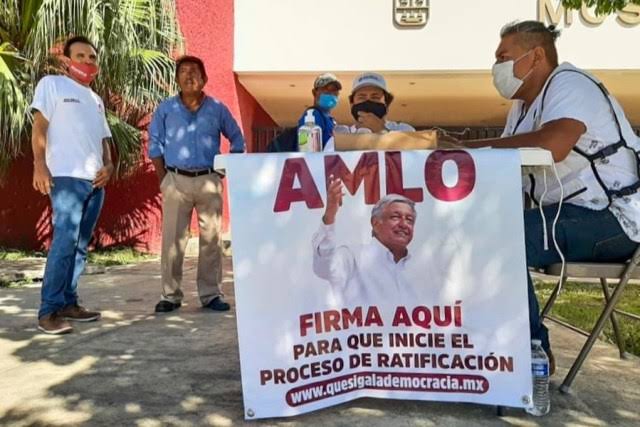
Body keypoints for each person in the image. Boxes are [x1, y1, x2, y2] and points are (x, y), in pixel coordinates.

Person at [456, 20, 640, 371]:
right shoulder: (521, 109)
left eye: (503, 57)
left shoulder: (570, 83)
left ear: (536, 55)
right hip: (569, 215)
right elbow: (503, 166)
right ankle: (487, 339)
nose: (496, 67)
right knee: (473, 230)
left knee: (503, 236)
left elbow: (553, 144)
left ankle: (531, 353)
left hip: (614, 218)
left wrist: (466, 148)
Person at [148, 55, 245, 313]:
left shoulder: (217, 108)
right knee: (172, 240)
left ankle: (211, 294)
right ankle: (170, 295)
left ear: (204, 79)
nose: (189, 75)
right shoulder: (165, 109)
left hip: (208, 180)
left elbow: (237, 139)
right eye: (183, 71)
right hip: (175, 180)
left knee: (211, 240)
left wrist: (223, 171)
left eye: (194, 71)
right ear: (176, 78)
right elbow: (154, 143)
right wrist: (163, 179)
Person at [31, 36, 114, 334]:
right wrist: (39, 164)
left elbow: (104, 140)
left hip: (96, 182)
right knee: (65, 243)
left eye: (92, 57)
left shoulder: (96, 100)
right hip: (66, 177)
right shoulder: (52, 85)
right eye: (81, 56)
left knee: (80, 247)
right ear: (67, 61)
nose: (88, 61)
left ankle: (69, 302)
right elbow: (39, 127)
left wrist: (109, 166)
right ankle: (48, 311)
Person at [312, 177, 436, 306]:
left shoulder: (421, 267)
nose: (403, 224)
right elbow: (324, 267)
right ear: (375, 223)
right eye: (395, 217)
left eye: (409, 220)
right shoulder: (352, 256)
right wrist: (329, 216)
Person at [325, 72, 415, 151]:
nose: (368, 101)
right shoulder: (340, 136)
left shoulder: (403, 130)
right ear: (352, 104)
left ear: (386, 104)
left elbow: (415, 155)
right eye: (362, 97)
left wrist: (382, 131)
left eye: (375, 97)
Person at [296, 73, 342, 150]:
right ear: (314, 93)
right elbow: (306, 149)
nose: (331, 94)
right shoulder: (312, 116)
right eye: (326, 91)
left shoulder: (331, 120)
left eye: (334, 91)